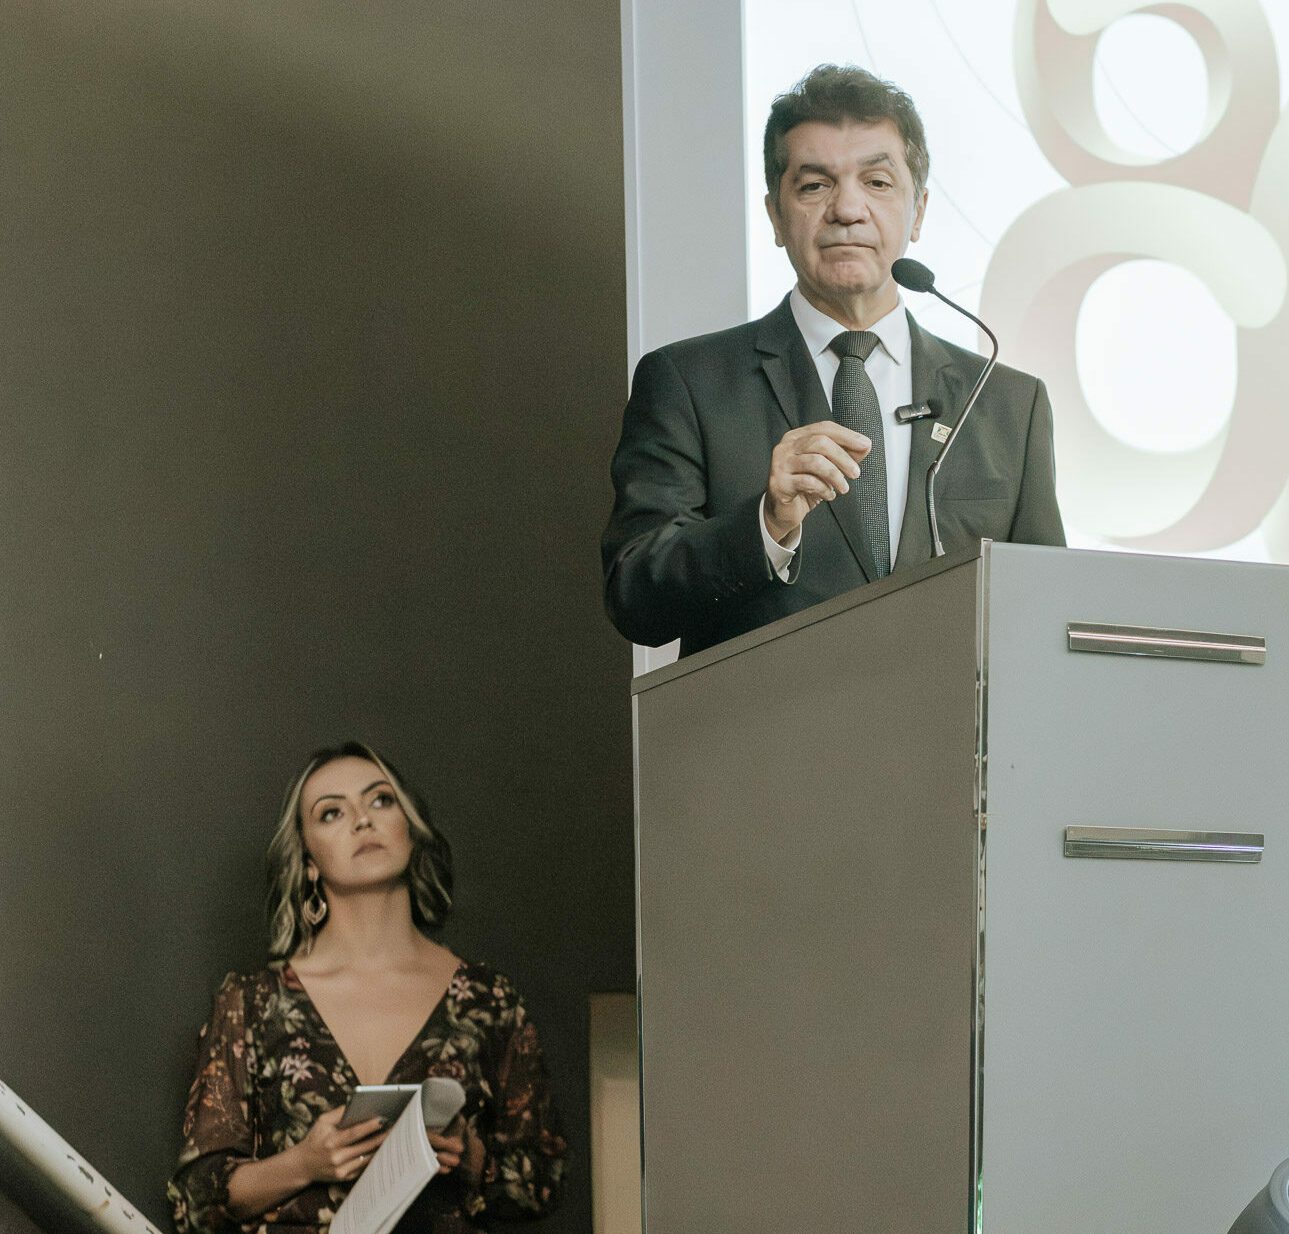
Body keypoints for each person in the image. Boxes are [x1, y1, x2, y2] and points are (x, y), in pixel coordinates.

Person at [602, 63, 1066, 655]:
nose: (848, 210)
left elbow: (1045, 614)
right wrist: (766, 524)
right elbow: (635, 598)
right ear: (775, 215)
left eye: (877, 182)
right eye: (815, 186)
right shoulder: (689, 384)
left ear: (919, 211)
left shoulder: (1008, 404)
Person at [168, 743, 565, 1234]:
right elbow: (195, 1201)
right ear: (308, 860)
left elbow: (545, 1181)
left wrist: (472, 1157)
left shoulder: (489, 999)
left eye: (380, 800)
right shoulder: (252, 1000)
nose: (362, 820)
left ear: (410, 829)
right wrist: (304, 1163)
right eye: (331, 812)